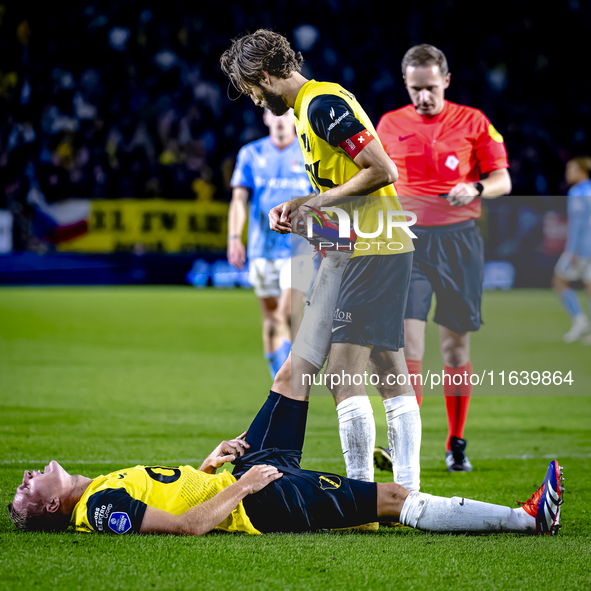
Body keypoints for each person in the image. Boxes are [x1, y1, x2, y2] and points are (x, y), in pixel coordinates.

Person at [220, 29, 421, 502]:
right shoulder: (310, 107)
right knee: (388, 368)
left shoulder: (321, 105)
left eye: (251, 89)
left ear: (265, 75)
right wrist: (304, 207)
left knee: (345, 373)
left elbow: (382, 170)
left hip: (373, 251)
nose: (253, 100)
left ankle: (365, 496)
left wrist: (316, 202)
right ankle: (405, 492)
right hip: (362, 247)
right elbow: (350, 182)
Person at [8, 389, 563, 537]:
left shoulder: (99, 489)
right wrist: (243, 486)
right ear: (53, 505)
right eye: (26, 491)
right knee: (395, 501)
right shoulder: (100, 507)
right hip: (263, 501)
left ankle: (339, 266)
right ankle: (527, 519)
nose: (27, 476)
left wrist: (208, 468)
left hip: (239, 475)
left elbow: (177, 497)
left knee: (291, 376)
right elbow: (186, 527)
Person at [376, 44, 512, 472]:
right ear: (406, 84)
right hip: (407, 243)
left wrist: (476, 189)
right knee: (407, 346)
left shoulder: (474, 121)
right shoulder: (389, 123)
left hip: (459, 242)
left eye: (431, 87)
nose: (424, 97)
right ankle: (406, 446)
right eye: (416, 89)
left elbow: (503, 179)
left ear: (446, 81)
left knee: (454, 350)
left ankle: (456, 442)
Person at [228, 109, 316, 378]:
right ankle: (278, 379)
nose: (279, 119)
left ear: (294, 118)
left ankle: (290, 381)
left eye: (284, 113)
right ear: (265, 118)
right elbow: (239, 200)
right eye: (273, 113)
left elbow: (320, 195)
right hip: (261, 250)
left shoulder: (308, 152)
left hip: (298, 248)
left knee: (287, 314)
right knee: (270, 318)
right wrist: (234, 238)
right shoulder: (251, 154)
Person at [552, 156, 591, 344]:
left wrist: (572, 250)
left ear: (581, 172)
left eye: (571, 169)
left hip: (583, 247)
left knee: (559, 279)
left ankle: (579, 319)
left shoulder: (577, 192)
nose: (568, 173)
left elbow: (578, 225)